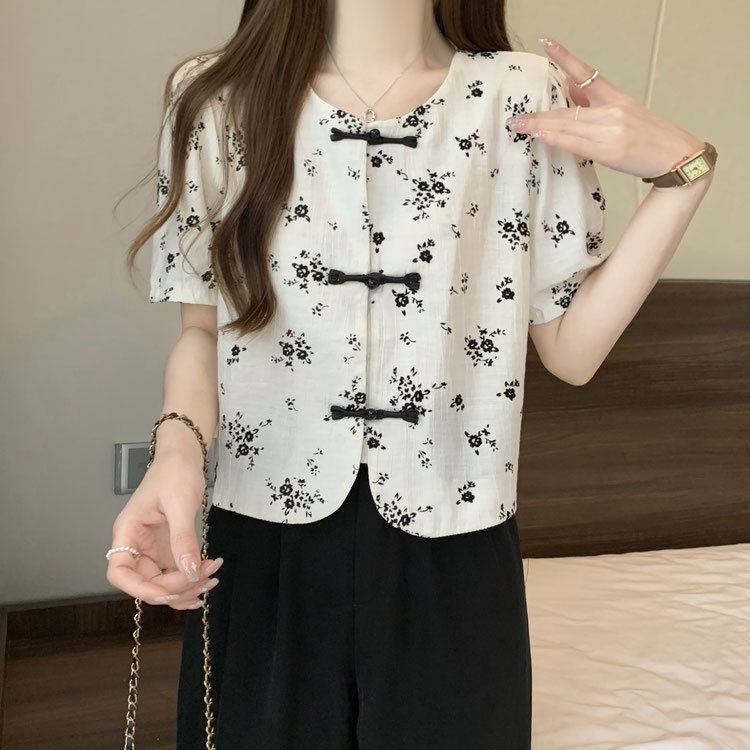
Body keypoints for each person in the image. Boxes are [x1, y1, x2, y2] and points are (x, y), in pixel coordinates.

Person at [107, 1, 716, 747]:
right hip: (264, 525)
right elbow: (204, 328)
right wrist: (174, 456)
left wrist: (683, 178)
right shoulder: (216, 95)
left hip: (457, 525)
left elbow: (571, 350)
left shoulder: (521, 94)